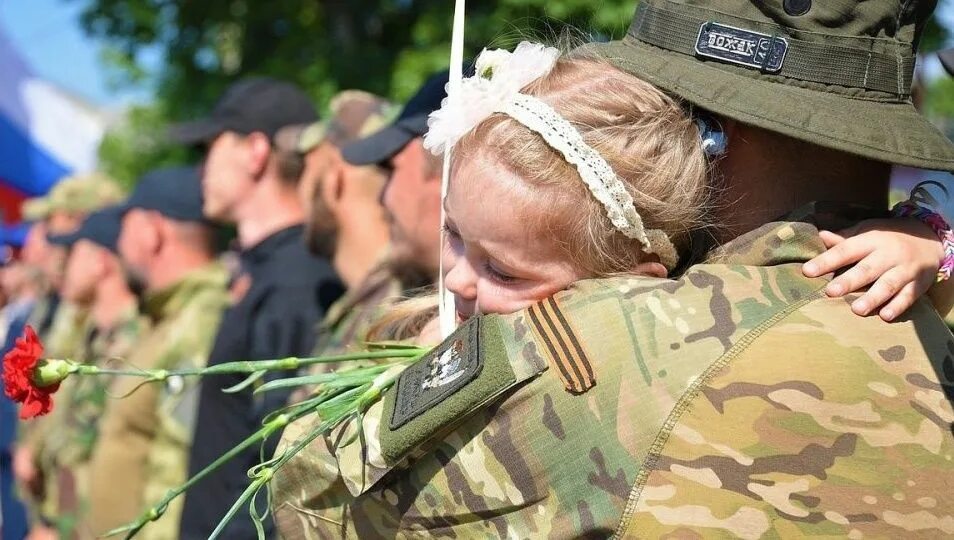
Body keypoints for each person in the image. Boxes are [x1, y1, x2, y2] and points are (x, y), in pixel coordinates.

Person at [270, 0, 954, 535]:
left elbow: (314, 497)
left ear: (707, 134)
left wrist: (428, 357)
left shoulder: (613, 348)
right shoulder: (930, 308)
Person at [170, 78, 344, 540]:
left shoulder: (294, 282)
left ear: (255, 151)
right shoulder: (265, 272)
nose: (200, 168)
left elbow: (275, 474)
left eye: (211, 147)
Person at [85, 167, 229, 540]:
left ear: (151, 232)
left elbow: (181, 473)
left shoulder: (199, 319)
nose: (119, 246)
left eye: (126, 228)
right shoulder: (166, 317)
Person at [14, 174, 124, 539]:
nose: (47, 240)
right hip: (53, 492)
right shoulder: (62, 302)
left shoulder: (106, 312)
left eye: (56, 225)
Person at [33, 208, 150, 538]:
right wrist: (54, 522)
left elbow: (106, 454)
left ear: (101, 262)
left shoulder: (134, 341)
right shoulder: (94, 336)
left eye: (74, 254)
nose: (63, 265)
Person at [277, 90, 401, 360]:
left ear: (335, 180)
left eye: (305, 171)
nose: (299, 191)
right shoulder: (390, 304)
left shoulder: (391, 318)